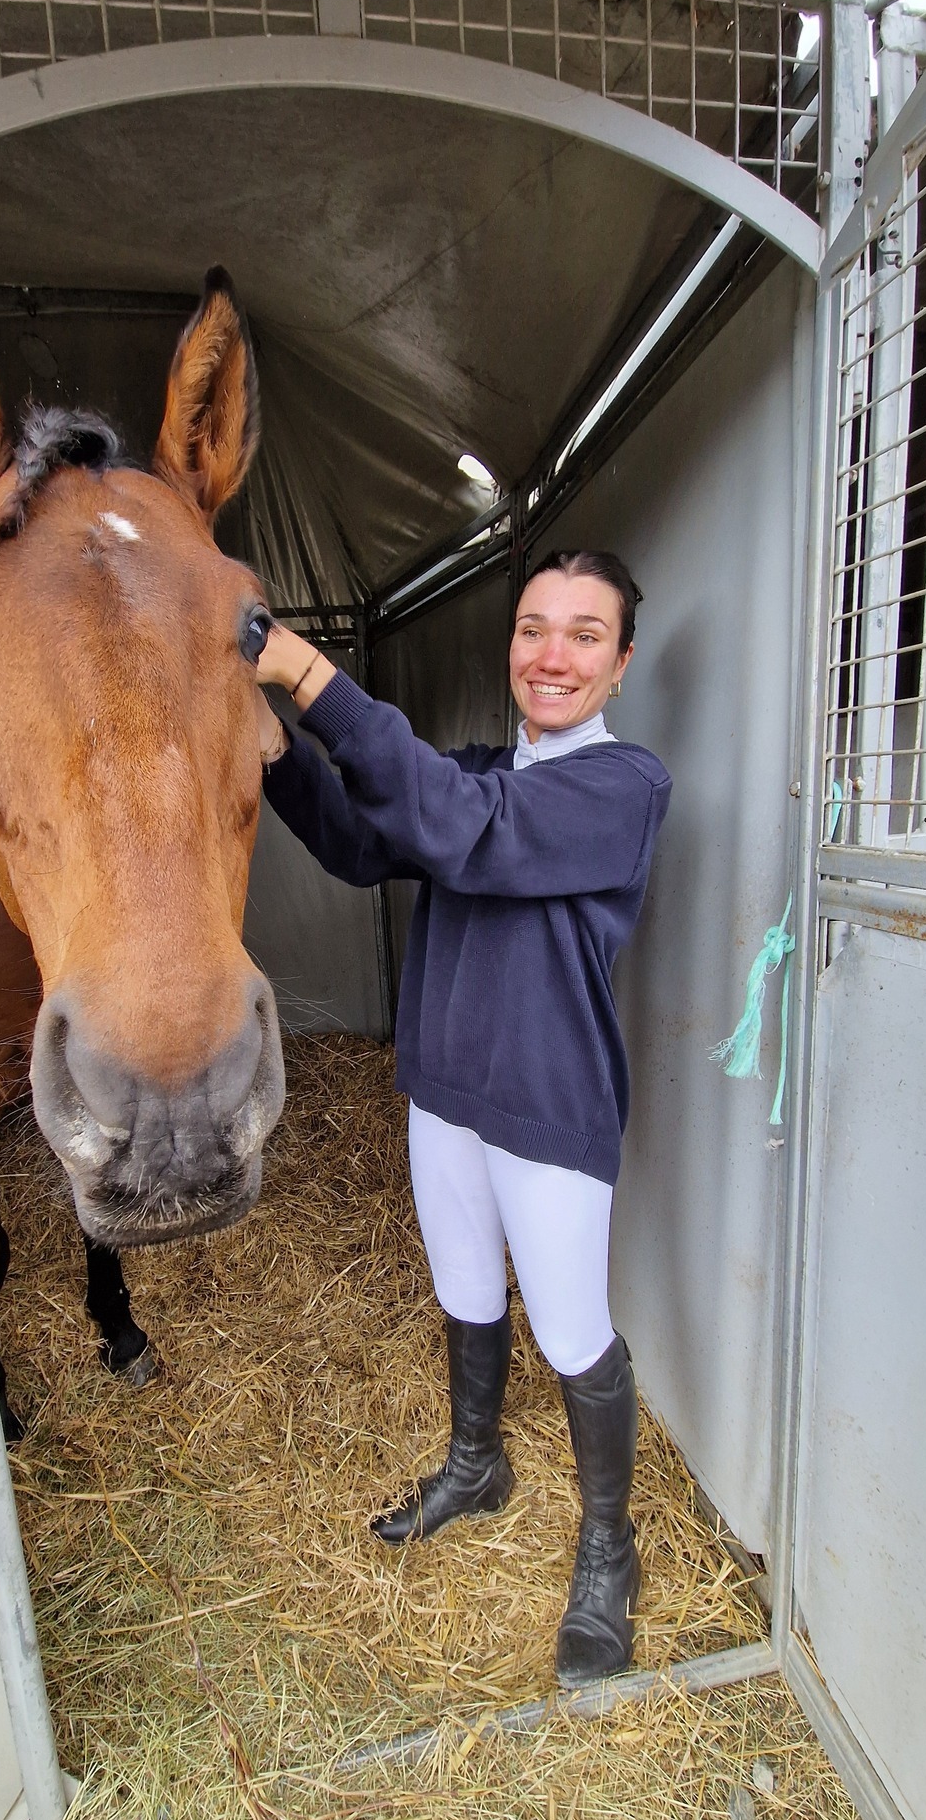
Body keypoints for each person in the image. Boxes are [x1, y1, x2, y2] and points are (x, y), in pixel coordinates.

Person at [253, 550, 670, 1686]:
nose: (553, 654)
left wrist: (307, 676)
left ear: (622, 664)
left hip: (546, 1102)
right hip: (445, 1091)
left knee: (574, 1335)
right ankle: (477, 1463)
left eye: (585, 634)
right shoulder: (479, 773)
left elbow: (468, 831)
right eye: (534, 628)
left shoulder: (623, 787)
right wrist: (275, 751)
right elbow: (359, 843)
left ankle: (610, 1550)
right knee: (467, 1291)